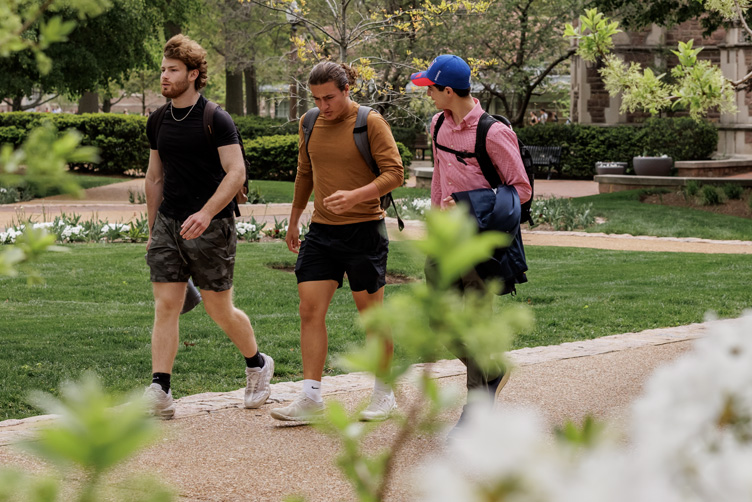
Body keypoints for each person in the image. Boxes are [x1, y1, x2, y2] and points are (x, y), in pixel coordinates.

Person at [143, 34, 273, 419]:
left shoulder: (215, 117)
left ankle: (257, 363)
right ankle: (161, 390)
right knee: (165, 304)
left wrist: (205, 212)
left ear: (194, 74)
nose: (164, 77)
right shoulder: (158, 119)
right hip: (169, 223)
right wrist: (153, 230)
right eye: (163, 69)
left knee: (219, 308)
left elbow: (236, 172)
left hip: (212, 226)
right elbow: (154, 178)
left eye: (173, 70)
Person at [270, 61, 404, 423]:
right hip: (323, 233)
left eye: (329, 97)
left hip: (365, 230)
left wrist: (357, 195)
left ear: (347, 89)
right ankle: (311, 399)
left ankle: (384, 393)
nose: (323, 105)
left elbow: (395, 173)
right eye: (316, 98)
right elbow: (305, 170)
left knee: (371, 316)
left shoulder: (370, 123)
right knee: (309, 310)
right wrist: (295, 216)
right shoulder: (309, 122)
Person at [409, 54, 532, 431]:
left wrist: (468, 203)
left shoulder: (493, 133)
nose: (428, 94)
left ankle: (477, 410)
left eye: (431, 89)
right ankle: (493, 371)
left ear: (448, 91)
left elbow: (522, 191)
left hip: (480, 243)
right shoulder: (437, 125)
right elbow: (440, 177)